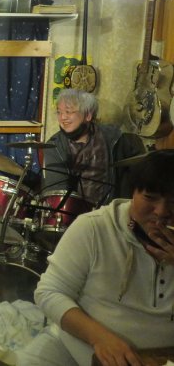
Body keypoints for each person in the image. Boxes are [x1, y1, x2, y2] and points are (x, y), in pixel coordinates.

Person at [17, 149, 174, 366]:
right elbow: (49, 292)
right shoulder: (94, 227)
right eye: (150, 198)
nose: (162, 211)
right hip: (77, 347)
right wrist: (100, 338)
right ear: (133, 193)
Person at [43, 89, 145, 207]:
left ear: (88, 115)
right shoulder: (54, 145)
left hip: (111, 210)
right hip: (74, 212)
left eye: (68, 111)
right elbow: (56, 190)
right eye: (59, 112)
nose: (62, 117)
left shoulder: (113, 137)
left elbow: (140, 168)